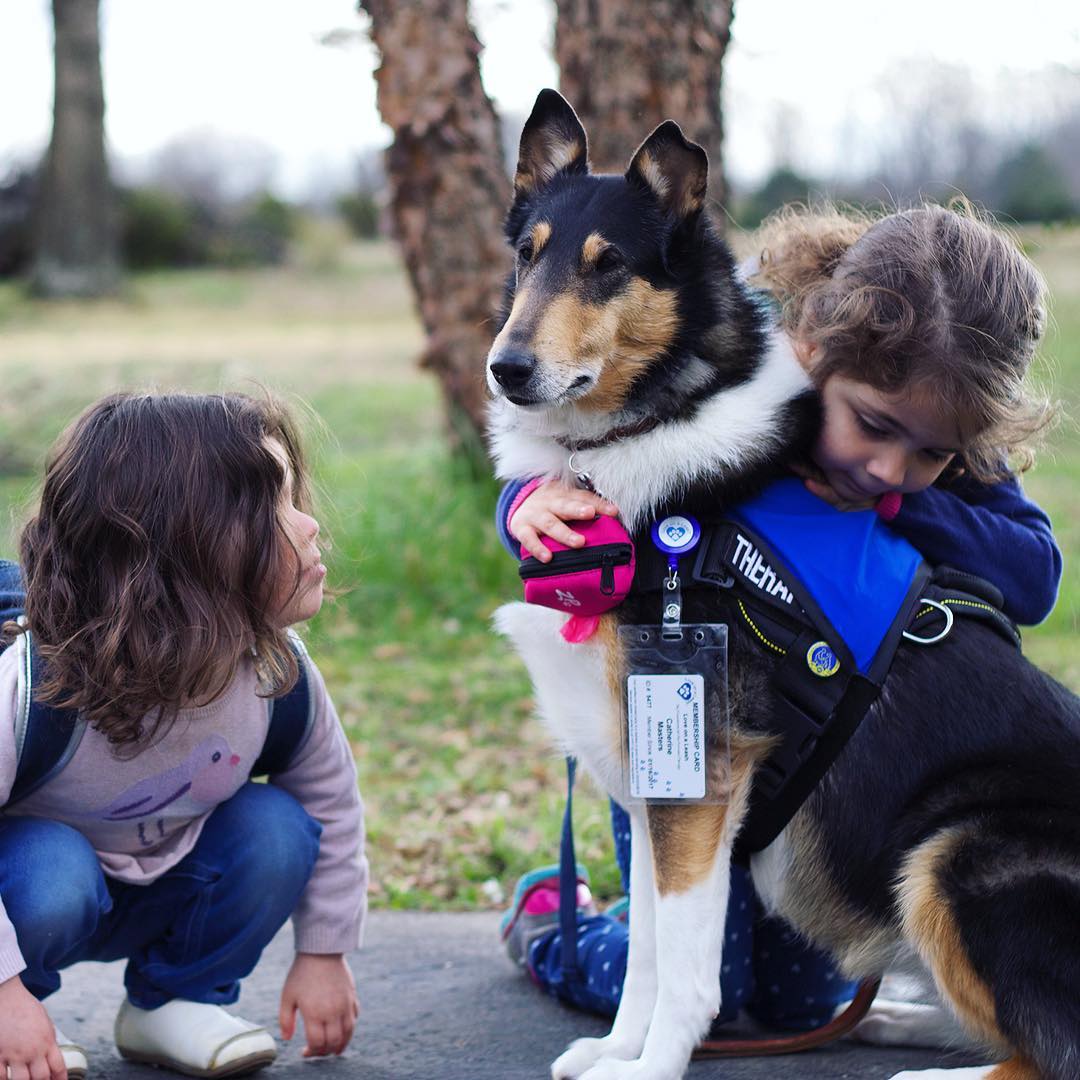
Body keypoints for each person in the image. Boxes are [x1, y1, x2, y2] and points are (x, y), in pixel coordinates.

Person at [496, 202, 1062, 1031]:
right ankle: (558, 927)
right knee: (713, 1004)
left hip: (804, 766)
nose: (890, 465)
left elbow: (1033, 572)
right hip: (679, 733)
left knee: (799, 1009)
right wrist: (521, 503)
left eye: (932, 452)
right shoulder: (731, 360)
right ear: (809, 346)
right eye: (872, 425)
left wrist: (899, 504)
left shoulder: (939, 412)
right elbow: (570, 437)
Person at [0, 392, 368, 1080]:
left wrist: (324, 953)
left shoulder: (276, 671)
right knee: (54, 865)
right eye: (278, 508)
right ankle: (18, 1021)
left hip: (171, 877)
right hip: (37, 890)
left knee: (278, 827)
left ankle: (174, 1001)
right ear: (180, 551)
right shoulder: (31, 685)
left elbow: (332, 806)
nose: (312, 525)